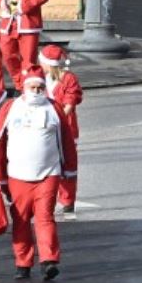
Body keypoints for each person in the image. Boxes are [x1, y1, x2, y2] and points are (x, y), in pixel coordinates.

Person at [0, 69, 71, 281]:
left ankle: (49, 260)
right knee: (21, 220)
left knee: (45, 218)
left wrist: (69, 172)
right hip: (17, 175)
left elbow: (66, 142)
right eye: (33, 87)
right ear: (24, 87)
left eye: (40, 88)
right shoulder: (10, 108)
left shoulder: (54, 109)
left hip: (48, 174)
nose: (37, 91)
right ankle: (22, 263)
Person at [42, 44, 85, 218]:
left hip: (65, 128)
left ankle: (67, 202)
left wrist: (56, 119)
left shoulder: (68, 79)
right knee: (47, 164)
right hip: (44, 128)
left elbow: (70, 103)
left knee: (66, 165)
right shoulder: (40, 78)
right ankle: (48, 199)